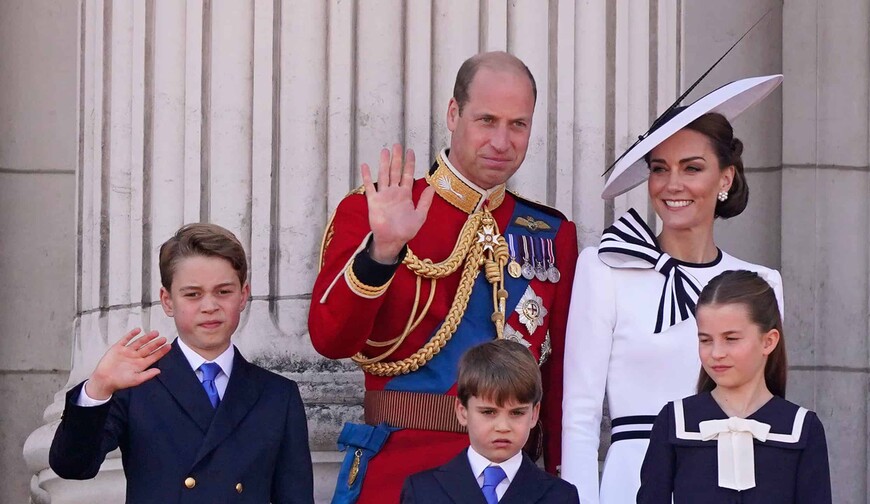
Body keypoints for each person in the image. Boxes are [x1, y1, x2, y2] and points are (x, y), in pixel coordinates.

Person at [309, 51, 578, 503]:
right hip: (398, 469)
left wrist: (556, 475)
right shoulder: (377, 207)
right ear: (453, 114)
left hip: (510, 483)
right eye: (486, 120)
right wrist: (384, 251)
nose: (501, 141)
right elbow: (330, 339)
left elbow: (559, 379)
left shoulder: (551, 234)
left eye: (518, 124)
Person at [561, 75, 785, 503]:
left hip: (729, 483)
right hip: (632, 482)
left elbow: (767, 413)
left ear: (725, 179)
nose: (672, 184)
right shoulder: (605, 268)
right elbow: (580, 417)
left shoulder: (761, 285)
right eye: (659, 169)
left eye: (692, 168)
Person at [50, 223, 314, 504]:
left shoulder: (277, 395)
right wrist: (97, 388)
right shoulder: (137, 383)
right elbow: (73, 466)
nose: (209, 306)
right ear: (167, 300)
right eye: (193, 294)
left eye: (223, 291)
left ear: (243, 295)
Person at [637, 270, 831, 503]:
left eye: (731, 339)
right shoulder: (674, 421)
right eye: (705, 340)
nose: (716, 353)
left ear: (768, 341)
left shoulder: (802, 429)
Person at [400, 339, 579, 503]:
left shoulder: (561, 496)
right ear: (462, 412)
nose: (502, 427)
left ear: (534, 414)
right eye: (488, 412)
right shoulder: (422, 491)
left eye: (516, 413)